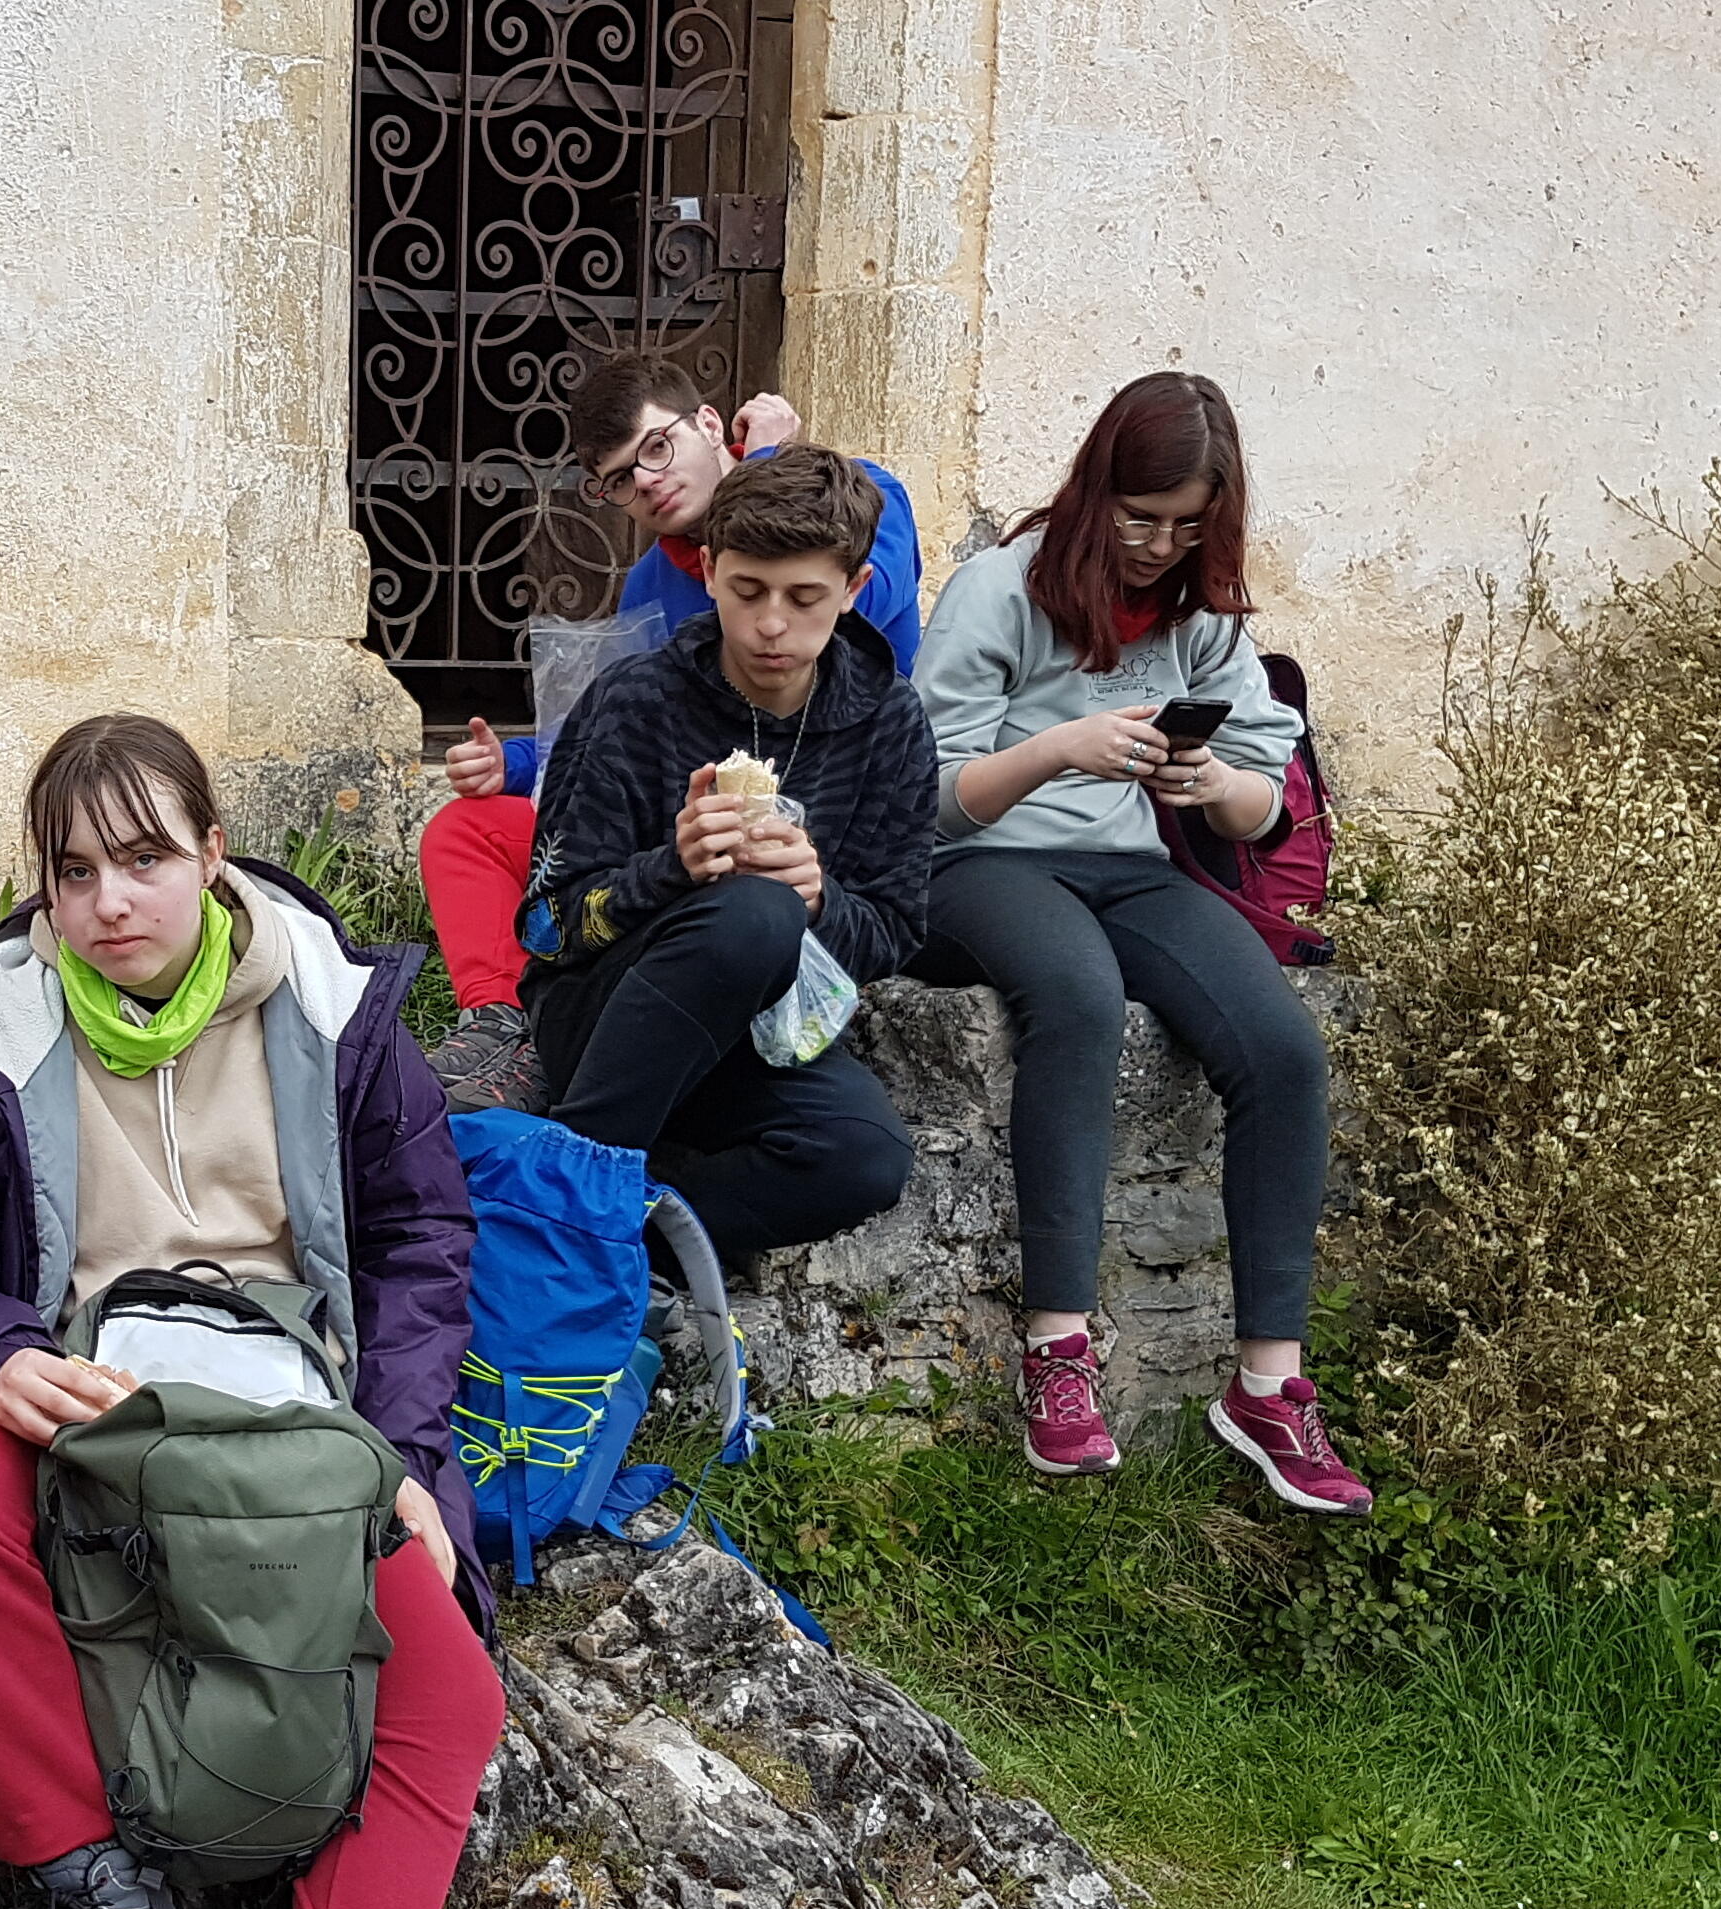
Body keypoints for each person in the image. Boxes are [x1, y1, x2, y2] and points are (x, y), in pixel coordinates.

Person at [0, 715, 499, 1909]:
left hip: (294, 1414)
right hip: (84, 1397)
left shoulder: (329, 1009)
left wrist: (400, 1457)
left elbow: (421, 1242)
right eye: (73, 872)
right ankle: (102, 1889)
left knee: (447, 1691)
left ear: (213, 854)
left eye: (145, 858)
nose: (109, 903)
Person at [911, 370, 1365, 1513]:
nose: (1162, 546)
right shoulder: (998, 589)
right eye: (1141, 518)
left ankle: (1268, 1387)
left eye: (1188, 526)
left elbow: (1265, 806)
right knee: (1077, 994)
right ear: (1096, 488)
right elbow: (929, 800)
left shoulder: (1203, 616)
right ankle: (1058, 1354)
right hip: (980, 865)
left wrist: (1212, 785)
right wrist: (1057, 749)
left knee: (1281, 1048)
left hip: (1131, 869)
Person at [420, 354, 927, 1111]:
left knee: (860, 1148)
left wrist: (764, 472)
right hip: (660, 869)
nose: (647, 482)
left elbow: (867, 619)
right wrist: (516, 762)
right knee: (465, 829)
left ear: (710, 425)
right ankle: (504, 1024)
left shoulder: (859, 505)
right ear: (715, 574)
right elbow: (604, 735)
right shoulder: (648, 589)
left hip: (817, 822)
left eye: (656, 448)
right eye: (620, 480)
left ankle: (602, 1158)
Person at [515, 446, 935, 1264]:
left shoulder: (890, 723)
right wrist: (669, 869)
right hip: (605, 1026)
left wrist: (820, 901)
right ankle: (568, 1199)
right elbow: (544, 930)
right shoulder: (636, 701)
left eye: (804, 598)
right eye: (748, 591)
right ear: (708, 572)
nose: (772, 624)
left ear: (853, 590)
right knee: (753, 912)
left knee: (864, 1156)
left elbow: (894, 932)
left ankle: (616, 1243)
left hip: (761, 1037)